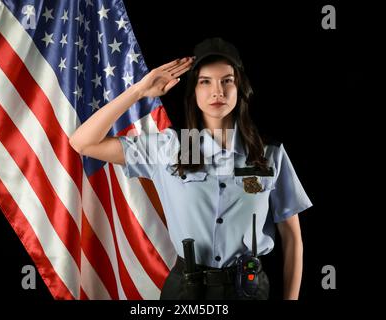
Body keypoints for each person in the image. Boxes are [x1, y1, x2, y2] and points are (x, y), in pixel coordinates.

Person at [69, 37, 312, 300]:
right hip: (186, 290)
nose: (217, 91)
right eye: (205, 81)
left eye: (227, 80)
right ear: (193, 91)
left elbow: (292, 238)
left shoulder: (269, 154)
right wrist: (138, 91)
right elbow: (83, 142)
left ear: (240, 87)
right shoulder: (169, 148)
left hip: (247, 289)